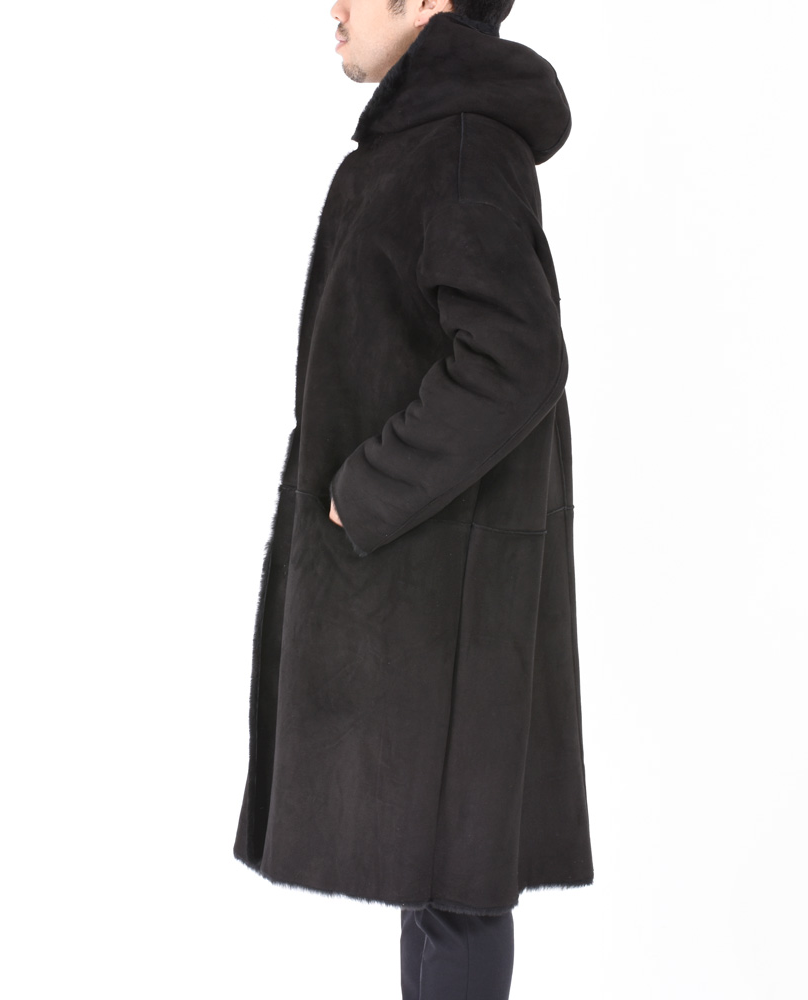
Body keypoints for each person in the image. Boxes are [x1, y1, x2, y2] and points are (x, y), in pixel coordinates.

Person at [233, 2, 594, 996]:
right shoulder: (432, 141)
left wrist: (363, 492)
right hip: (428, 593)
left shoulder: (464, 146)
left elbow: (517, 359)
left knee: (454, 894)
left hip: (446, 595)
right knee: (437, 886)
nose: (335, 7)